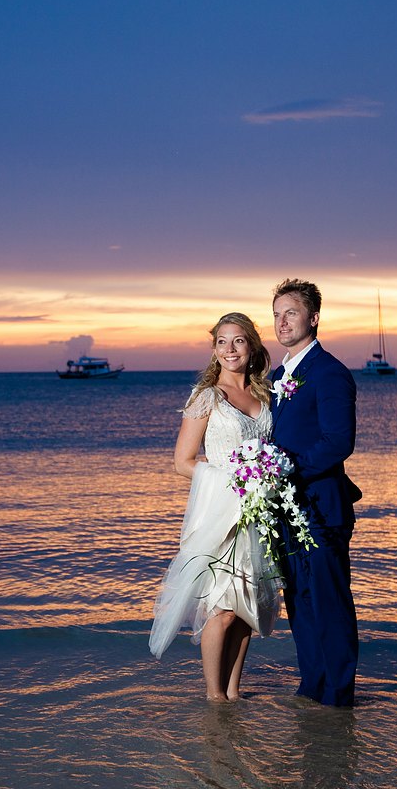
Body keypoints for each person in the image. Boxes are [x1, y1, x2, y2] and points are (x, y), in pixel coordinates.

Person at [150, 313, 282, 701]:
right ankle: (213, 696)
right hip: (222, 514)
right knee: (221, 608)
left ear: (252, 346)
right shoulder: (207, 397)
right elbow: (183, 461)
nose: (230, 349)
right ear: (214, 350)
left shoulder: (265, 395)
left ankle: (233, 693)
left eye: (238, 341)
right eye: (222, 342)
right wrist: (235, 481)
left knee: (247, 608)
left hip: (258, 515)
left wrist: (264, 484)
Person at [269, 278, 362, 706]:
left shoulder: (330, 372)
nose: (282, 321)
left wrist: (286, 470)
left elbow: (339, 440)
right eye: (276, 314)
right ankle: (312, 690)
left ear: (314, 318)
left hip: (322, 507)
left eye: (290, 313)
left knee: (329, 601)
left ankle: (339, 697)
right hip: (284, 511)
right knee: (299, 602)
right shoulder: (276, 376)